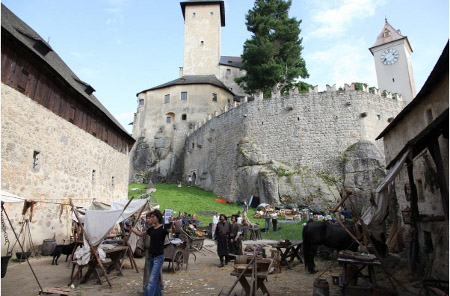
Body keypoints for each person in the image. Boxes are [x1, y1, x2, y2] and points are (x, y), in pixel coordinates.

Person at [128, 210, 175, 296]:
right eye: (151, 217)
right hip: (150, 257)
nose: (151, 219)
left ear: (158, 218)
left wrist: (172, 223)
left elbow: (172, 231)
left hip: (158, 258)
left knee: (151, 280)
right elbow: (140, 234)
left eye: (153, 217)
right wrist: (132, 229)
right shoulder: (151, 229)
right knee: (154, 280)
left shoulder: (164, 228)